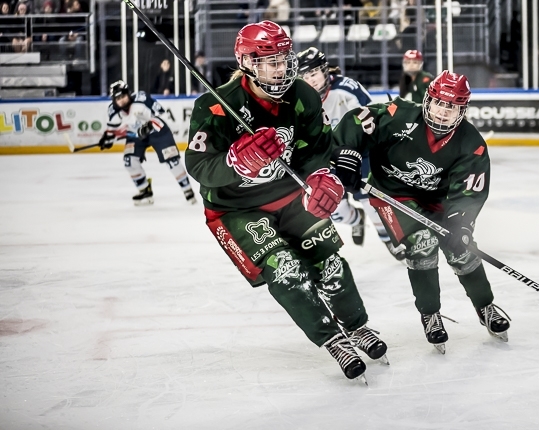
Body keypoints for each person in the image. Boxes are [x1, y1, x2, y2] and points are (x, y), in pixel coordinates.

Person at [185, 21, 388, 382]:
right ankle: (332, 339)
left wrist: (321, 176)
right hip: (236, 209)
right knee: (286, 270)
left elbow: (317, 149)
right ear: (247, 62)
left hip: (290, 196)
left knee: (329, 263)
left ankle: (357, 326)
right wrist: (233, 161)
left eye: (284, 60)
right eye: (271, 62)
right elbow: (199, 166)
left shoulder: (303, 96)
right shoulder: (216, 106)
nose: (281, 69)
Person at [332, 70, 511, 354]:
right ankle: (430, 313)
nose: (443, 112)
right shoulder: (398, 114)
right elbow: (358, 119)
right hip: (393, 196)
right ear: (427, 100)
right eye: (439, 103)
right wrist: (348, 154)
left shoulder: (471, 143)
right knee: (421, 245)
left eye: (451, 107)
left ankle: (485, 306)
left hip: (439, 200)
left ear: (462, 111)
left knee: (462, 251)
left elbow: (470, 192)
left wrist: (460, 224)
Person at [297, 46, 406, 261]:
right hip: (326, 159)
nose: (311, 80)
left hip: (358, 153)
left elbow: (373, 116)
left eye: (314, 73)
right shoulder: (300, 100)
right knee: (332, 208)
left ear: (325, 70)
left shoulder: (346, 88)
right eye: (305, 76)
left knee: (370, 198)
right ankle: (356, 220)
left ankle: (388, 238)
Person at [98, 80, 197, 206]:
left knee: (172, 160)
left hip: (158, 132)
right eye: (118, 99)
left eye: (123, 96)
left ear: (128, 93)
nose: (121, 100)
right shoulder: (113, 110)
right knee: (129, 161)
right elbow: (111, 130)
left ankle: (187, 188)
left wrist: (150, 125)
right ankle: (145, 190)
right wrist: (107, 139)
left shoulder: (142, 99)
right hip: (136, 136)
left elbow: (162, 113)